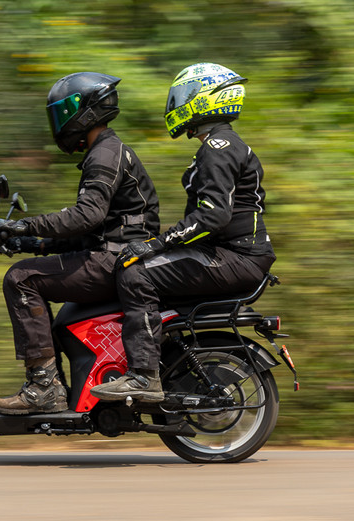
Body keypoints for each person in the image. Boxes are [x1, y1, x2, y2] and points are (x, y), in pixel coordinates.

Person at [91, 62, 276, 403]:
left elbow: (213, 216)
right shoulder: (225, 144)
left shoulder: (218, 148)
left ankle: (143, 376)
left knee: (135, 272)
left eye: (183, 96)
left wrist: (156, 244)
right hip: (235, 254)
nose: (175, 104)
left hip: (235, 256)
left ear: (204, 99)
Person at [0, 72, 160, 415]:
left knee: (21, 279)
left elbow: (86, 217)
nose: (58, 122)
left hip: (116, 260)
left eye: (61, 112)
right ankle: (59, 387)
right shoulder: (108, 151)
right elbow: (91, 231)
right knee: (57, 317)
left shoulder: (104, 155)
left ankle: (44, 387)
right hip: (117, 255)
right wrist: (31, 242)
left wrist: (24, 223)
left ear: (82, 111)